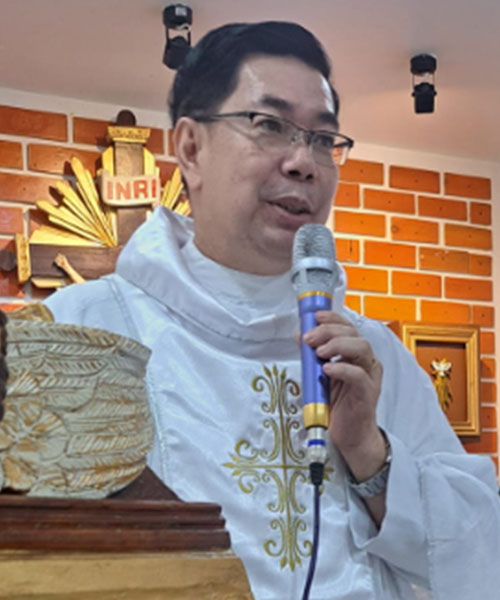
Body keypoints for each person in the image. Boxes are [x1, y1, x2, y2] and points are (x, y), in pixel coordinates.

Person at [45, 21, 500, 600]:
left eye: (323, 139)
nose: (303, 161)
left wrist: (371, 455)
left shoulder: (372, 353)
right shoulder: (81, 332)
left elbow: (479, 553)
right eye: (268, 125)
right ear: (191, 149)